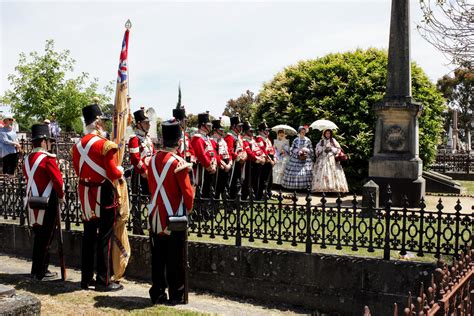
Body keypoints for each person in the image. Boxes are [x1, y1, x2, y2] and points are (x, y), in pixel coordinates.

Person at [71, 103, 124, 292]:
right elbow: (112, 172)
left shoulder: (77, 146)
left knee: (88, 237)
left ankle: (86, 278)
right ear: (99, 122)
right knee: (105, 237)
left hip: (86, 194)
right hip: (104, 194)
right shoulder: (106, 145)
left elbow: (78, 171)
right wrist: (121, 170)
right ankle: (104, 280)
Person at [147, 120, 194, 305]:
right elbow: (188, 194)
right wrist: (188, 210)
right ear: (178, 142)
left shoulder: (151, 160)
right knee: (175, 258)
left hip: (155, 214)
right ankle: (176, 294)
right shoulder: (179, 163)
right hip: (173, 216)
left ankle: (158, 292)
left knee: (158, 257)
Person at [23, 124, 65, 280]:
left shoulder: (27, 160)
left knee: (39, 237)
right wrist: (61, 196)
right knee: (46, 238)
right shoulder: (48, 159)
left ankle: (37, 269)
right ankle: (40, 271)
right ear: (43, 142)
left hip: (32, 201)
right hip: (47, 202)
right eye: (48, 141)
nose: (50, 144)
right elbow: (58, 181)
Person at [128, 109, 155, 195]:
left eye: (148, 123)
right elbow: (135, 158)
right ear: (138, 124)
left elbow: (153, 153)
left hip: (150, 172)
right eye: (145, 123)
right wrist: (144, 171)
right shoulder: (134, 139)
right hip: (140, 173)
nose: (148, 125)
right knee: (140, 200)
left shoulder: (147, 138)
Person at [190, 112, 217, 198]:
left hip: (210, 167)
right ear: (202, 126)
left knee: (208, 190)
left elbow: (213, 152)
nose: (210, 127)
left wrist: (214, 164)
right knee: (201, 190)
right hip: (202, 168)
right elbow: (201, 154)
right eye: (208, 125)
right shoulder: (197, 138)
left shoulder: (207, 138)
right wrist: (209, 166)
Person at [281, 126, 314, 190]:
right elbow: (292, 149)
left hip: (305, 158)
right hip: (296, 158)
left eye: (304, 132)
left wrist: (306, 150)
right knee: (295, 173)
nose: (303, 133)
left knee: (306, 172)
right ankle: (295, 187)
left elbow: (311, 149)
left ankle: (305, 187)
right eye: (302, 132)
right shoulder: (296, 140)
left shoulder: (308, 140)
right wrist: (297, 151)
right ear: (299, 132)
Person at [224, 115, 246, 199]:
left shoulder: (239, 136)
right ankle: (230, 202)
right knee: (231, 183)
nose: (241, 128)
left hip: (239, 163)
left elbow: (242, 148)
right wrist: (238, 157)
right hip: (233, 163)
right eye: (239, 126)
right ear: (233, 126)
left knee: (237, 182)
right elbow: (229, 151)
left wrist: (244, 156)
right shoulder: (230, 136)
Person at [241, 122, 265, 200]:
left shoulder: (252, 139)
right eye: (250, 131)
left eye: (252, 131)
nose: (252, 132)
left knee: (254, 181)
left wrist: (262, 157)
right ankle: (244, 198)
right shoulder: (244, 140)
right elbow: (249, 152)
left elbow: (258, 149)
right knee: (247, 182)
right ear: (245, 131)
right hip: (250, 163)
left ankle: (252, 196)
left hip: (257, 163)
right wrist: (257, 159)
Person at [210, 119, 232, 199]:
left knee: (224, 185)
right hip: (220, 164)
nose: (222, 131)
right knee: (216, 186)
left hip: (226, 163)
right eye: (220, 130)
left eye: (223, 130)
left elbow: (228, 152)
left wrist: (229, 163)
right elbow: (215, 154)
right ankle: (214, 204)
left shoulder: (223, 140)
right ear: (215, 130)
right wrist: (223, 164)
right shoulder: (212, 140)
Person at [256, 120, 275, 199]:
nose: (267, 132)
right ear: (261, 131)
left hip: (270, 160)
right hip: (264, 161)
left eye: (268, 130)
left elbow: (272, 149)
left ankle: (268, 193)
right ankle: (260, 195)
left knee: (269, 178)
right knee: (262, 179)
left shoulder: (268, 139)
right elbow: (262, 149)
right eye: (266, 130)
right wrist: (270, 160)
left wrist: (274, 159)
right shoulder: (259, 138)